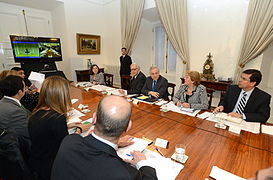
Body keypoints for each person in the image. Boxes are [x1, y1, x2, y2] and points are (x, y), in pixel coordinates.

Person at [51, 95, 158, 180]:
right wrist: (143, 164)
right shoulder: (126, 175)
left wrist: (116, 143)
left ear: (94, 118)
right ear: (128, 127)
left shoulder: (69, 141)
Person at [28, 76, 91, 180]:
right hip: (52, 167)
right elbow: (67, 146)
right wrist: (79, 129)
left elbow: (46, 129)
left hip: (38, 162)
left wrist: (67, 125)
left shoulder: (36, 112)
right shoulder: (57, 118)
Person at [0, 75, 30, 150]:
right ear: (20, 92)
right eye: (24, 87)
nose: (26, 89)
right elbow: (27, 135)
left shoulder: (3, 102)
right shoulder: (15, 111)